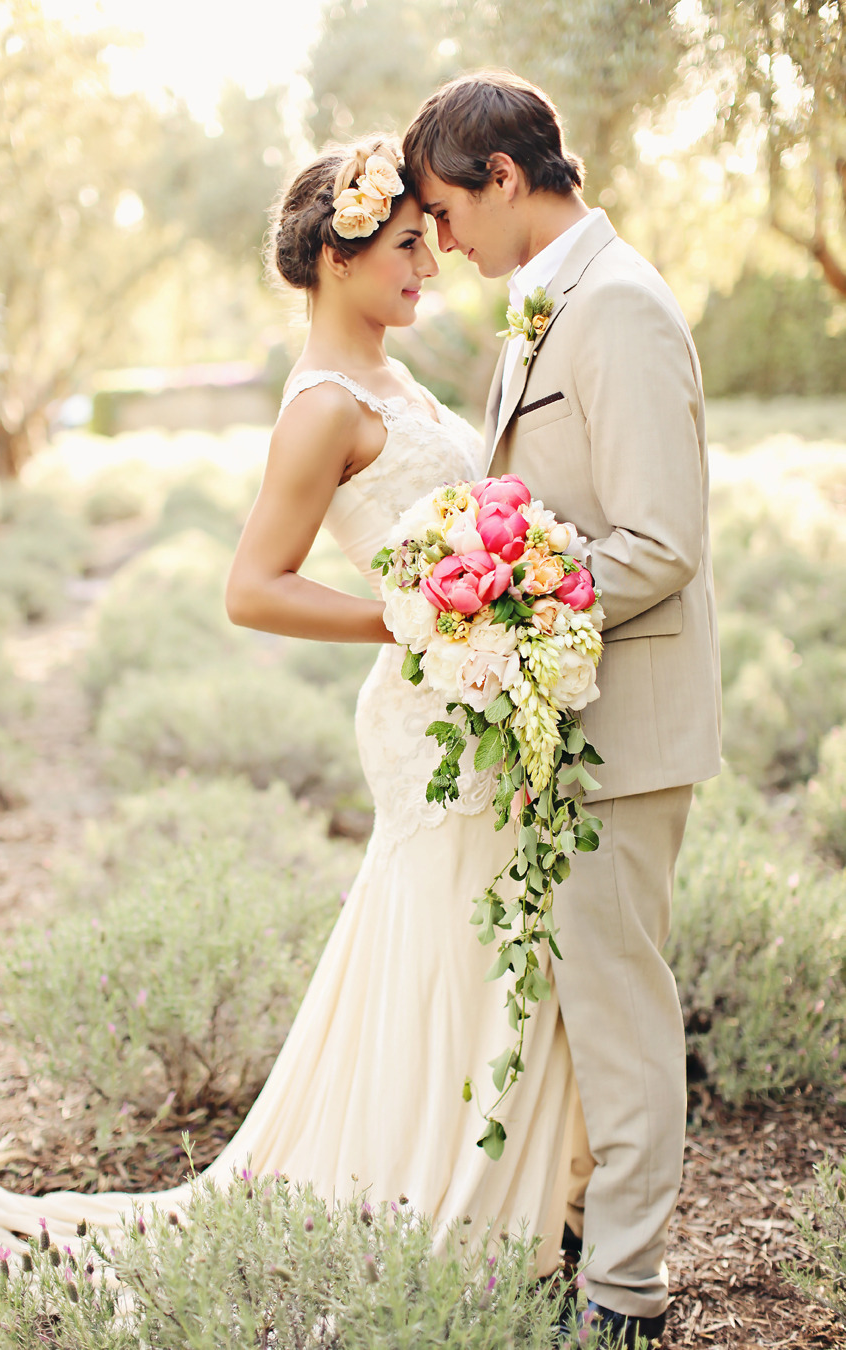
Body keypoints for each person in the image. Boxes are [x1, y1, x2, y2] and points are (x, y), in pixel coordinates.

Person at [0, 136, 584, 1286]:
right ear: (342, 255)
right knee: (456, 946)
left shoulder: (397, 379)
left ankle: (505, 1199)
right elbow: (253, 587)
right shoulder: (322, 406)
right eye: (408, 246)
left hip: (481, 698)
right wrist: (417, 621)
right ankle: (446, 1214)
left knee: (485, 943)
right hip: (430, 709)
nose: (429, 268)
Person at [403, 72, 723, 1349]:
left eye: (446, 209)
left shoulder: (625, 309)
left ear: (504, 177)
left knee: (620, 1007)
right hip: (565, 719)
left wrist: (514, 610)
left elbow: (661, 541)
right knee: (575, 1000)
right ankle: (585, 1232)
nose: (444, 243)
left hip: (624, 726)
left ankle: (628, 1293)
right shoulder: (548, 304)